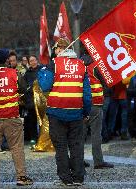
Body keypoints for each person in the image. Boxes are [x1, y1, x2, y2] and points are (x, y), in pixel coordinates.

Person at [38, 38, 91, 186]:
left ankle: (66, 179)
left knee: (61, 147)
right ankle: (78, 177)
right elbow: (86, 93)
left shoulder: (53, 64)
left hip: (56, 112)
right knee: (76, 146)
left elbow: (45, 86)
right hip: (76, 112)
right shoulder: (81, 65)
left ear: (58, 49)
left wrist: (42, 72)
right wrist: (86, 112)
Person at [0, 48, 33, 186]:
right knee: (16, 147)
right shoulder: (15, 73)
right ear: (7, 60)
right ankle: (21, 177)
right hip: (11, 117)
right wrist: (27, 105)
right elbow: (24, 91)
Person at [84, 55, 114, 169]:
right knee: (96, 134)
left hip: (82, 104)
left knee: (80, 135)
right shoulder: (96, 66)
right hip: (95, 103)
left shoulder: (79, 65)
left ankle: (78, 160)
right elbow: (107, 84)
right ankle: (98, 161)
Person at [23, 55, 41, 145]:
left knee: (41, 120)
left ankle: (42, 137)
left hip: (41, 99)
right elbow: (24, 86)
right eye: (31, 61)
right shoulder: (27, 73)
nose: (33, 62)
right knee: (32, 121)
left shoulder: (42, 70)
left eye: (34, 60)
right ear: (29, 63)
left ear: (37, 61)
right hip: (31, 100)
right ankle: (33, 137)